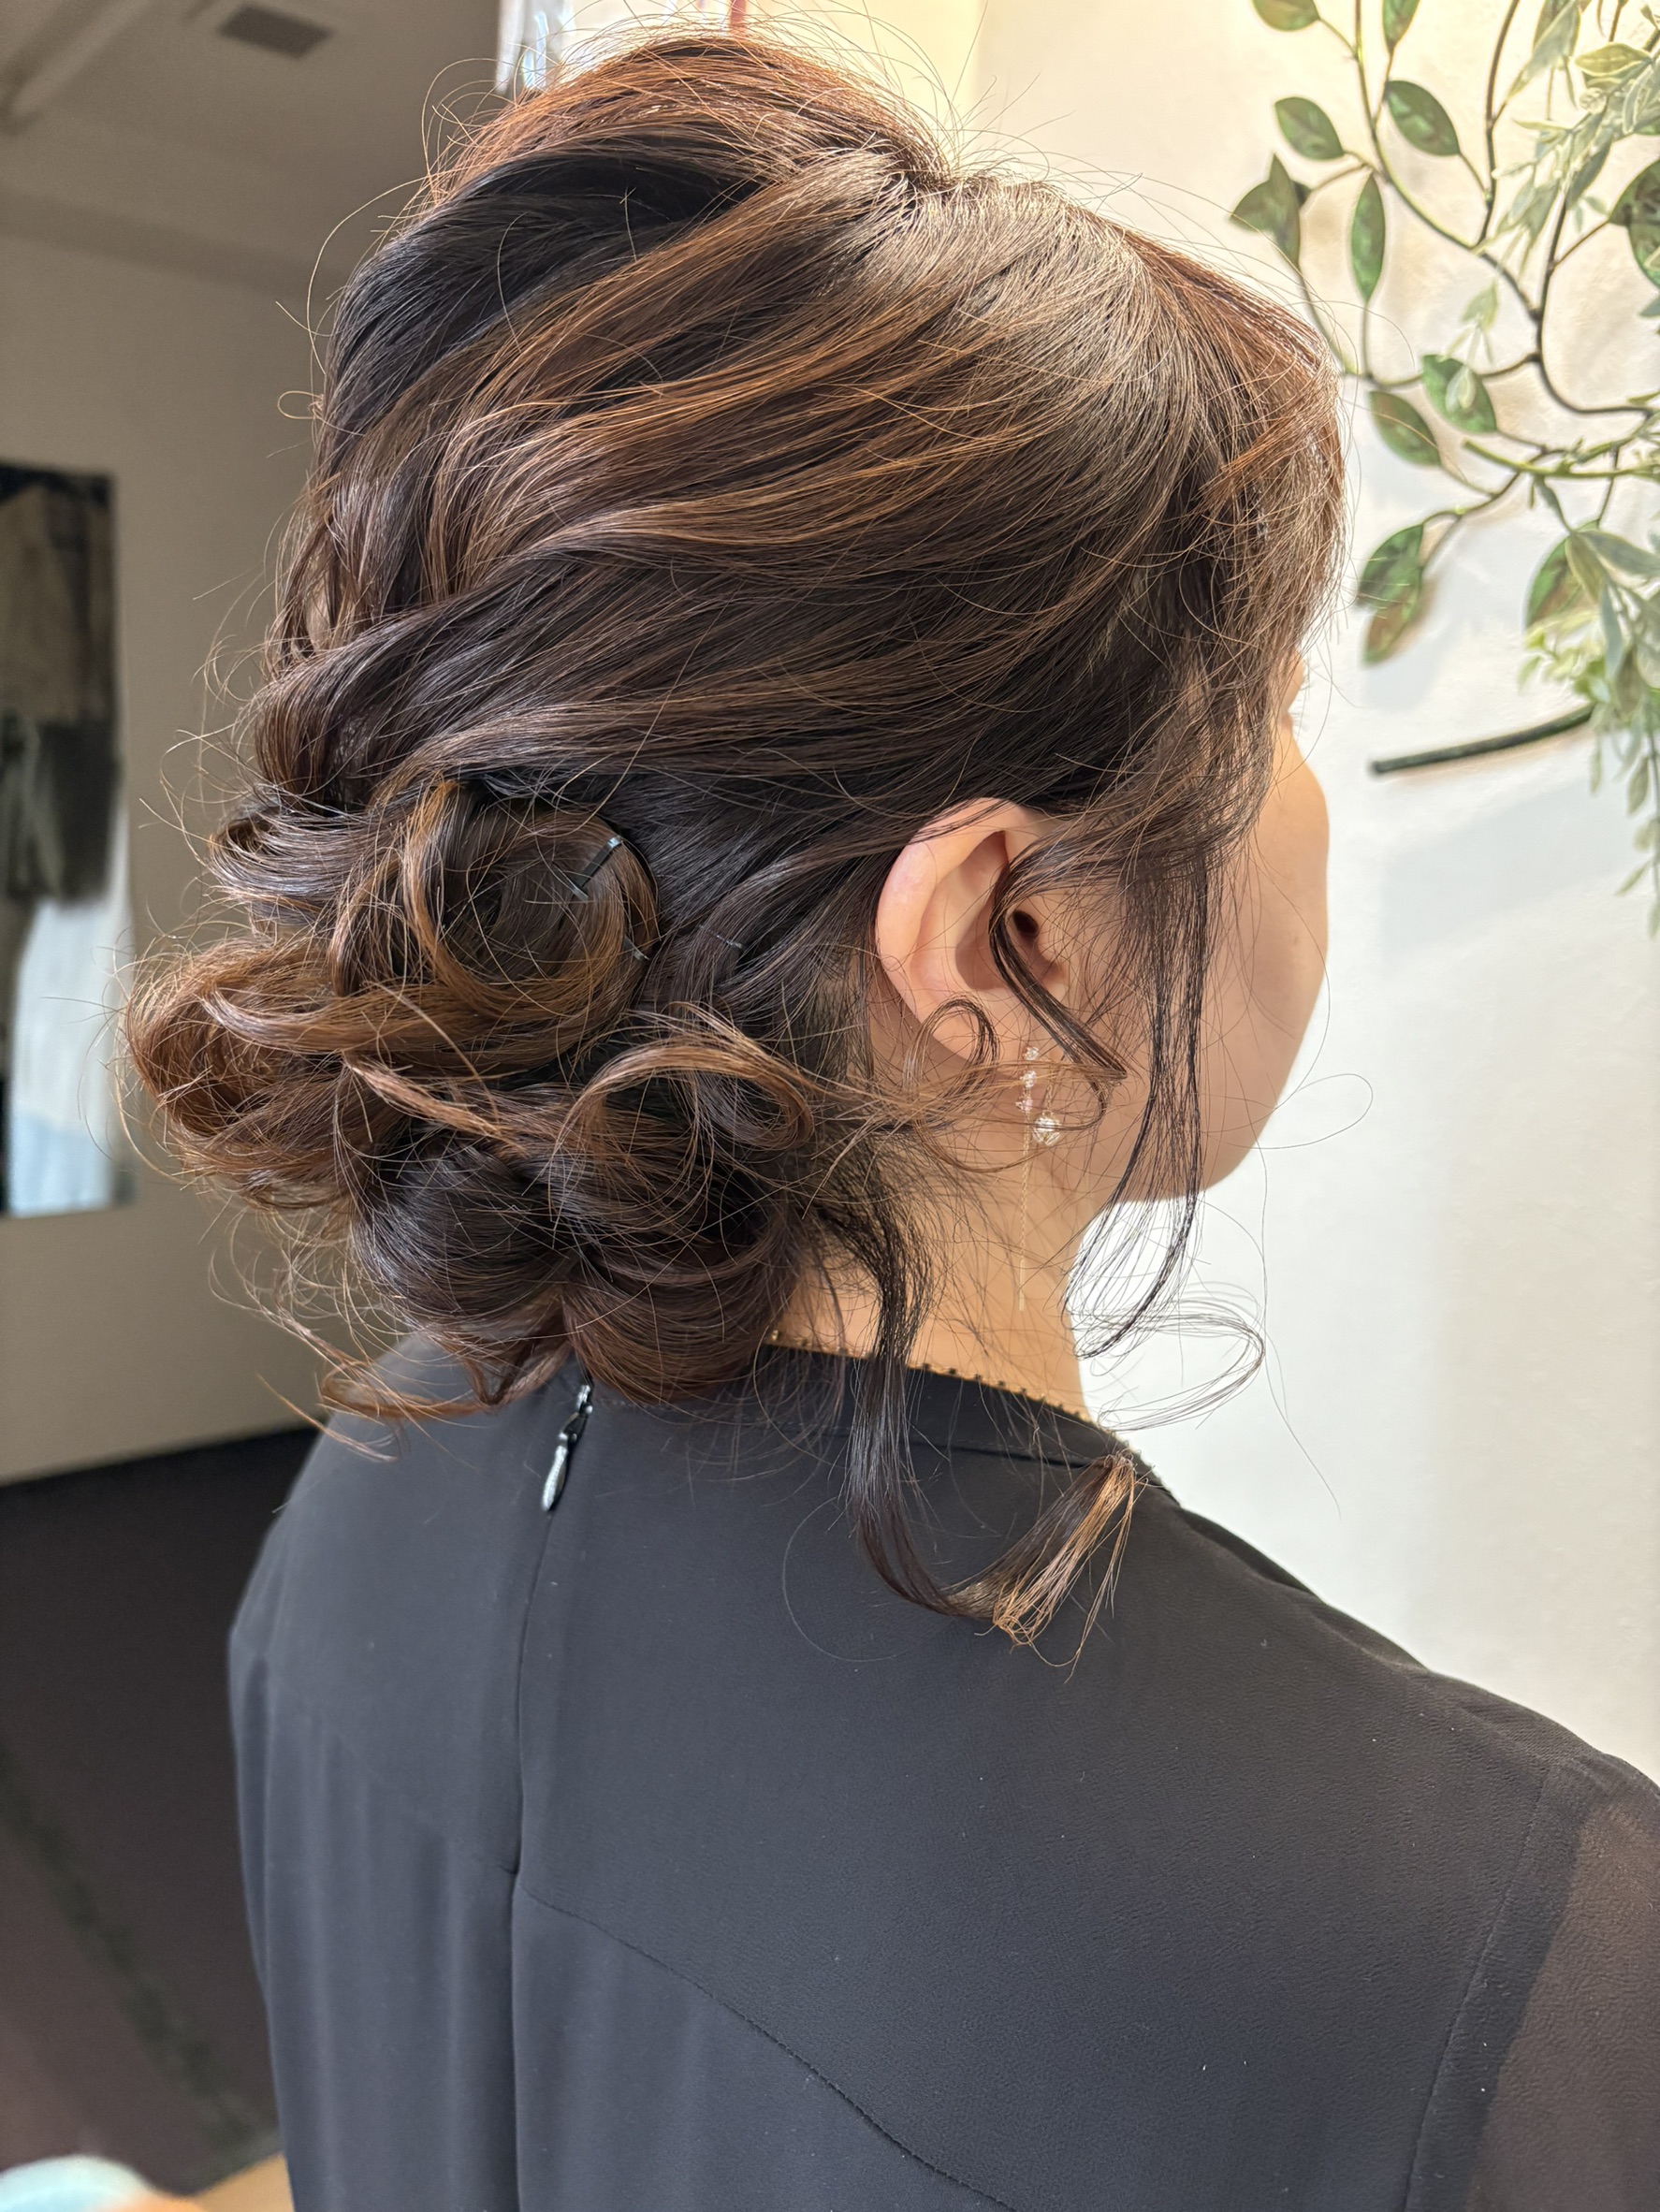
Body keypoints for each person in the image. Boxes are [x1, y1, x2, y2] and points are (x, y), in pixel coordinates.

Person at [129, 31, 1660, 2212]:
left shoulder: (358, 1504)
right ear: (1003, 934)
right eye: (1276, 712)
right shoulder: (1490, 1978)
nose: (1306, 805)